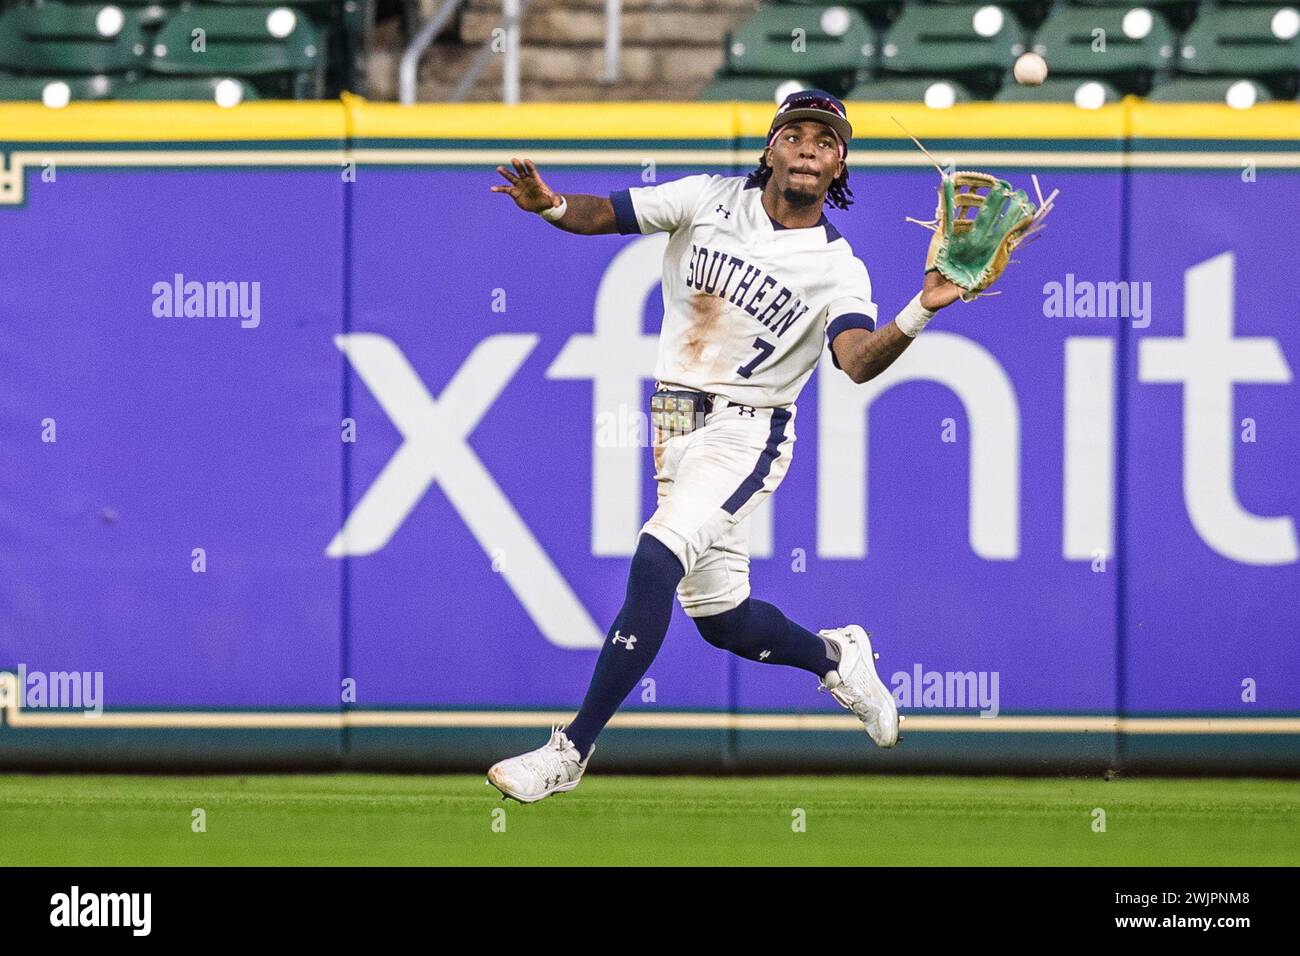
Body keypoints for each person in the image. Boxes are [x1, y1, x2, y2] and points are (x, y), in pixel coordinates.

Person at [485, 90, 965, 803]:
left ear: (840, 167)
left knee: (655, 558)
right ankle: (836, 656)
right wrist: (551, 204)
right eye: (796, 134)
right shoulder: (705, 198)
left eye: (826, 141)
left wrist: (922, 307)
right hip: (673, 423)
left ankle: (569, 752)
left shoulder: (839, 266)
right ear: (769, 148)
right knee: (721, 618)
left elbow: (857, 360)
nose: (809, 147)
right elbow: (607, 215)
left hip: (749, 428)